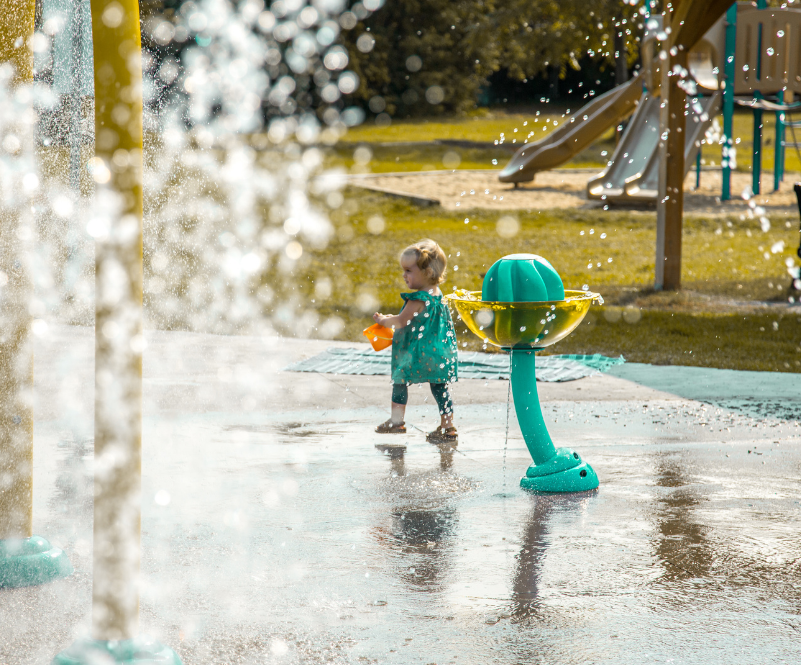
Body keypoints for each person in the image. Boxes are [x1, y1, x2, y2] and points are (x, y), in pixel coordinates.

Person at [372, 239, 458, 443]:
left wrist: (383, 320)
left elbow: (401, 321)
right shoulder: (438, 295)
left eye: (409, 270)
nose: (404, 274)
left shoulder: (417, 299)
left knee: (400, 381)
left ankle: (396, 422)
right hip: (438, 352)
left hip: (416, 354)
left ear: (427, 273)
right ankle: (448, 427)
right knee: (440, 387)